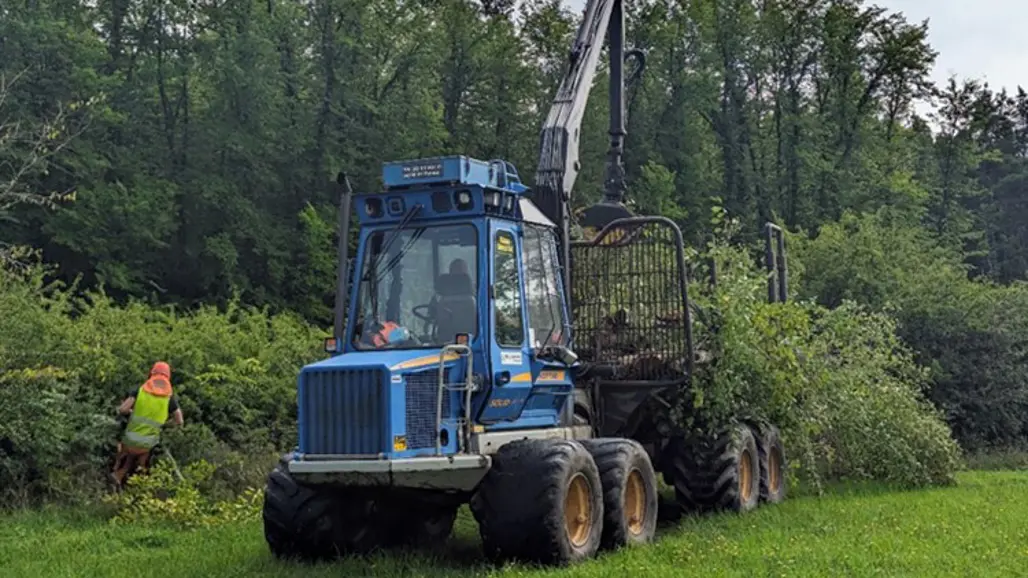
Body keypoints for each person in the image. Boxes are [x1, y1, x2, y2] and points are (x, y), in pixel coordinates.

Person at [110, 361, 183, 489]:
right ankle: (139, 486)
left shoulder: (140, 390)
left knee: (127, 451)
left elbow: (122, 409)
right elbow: (179, 421)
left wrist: (132, 412)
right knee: (142, 457)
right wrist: (164, 425)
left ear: (151, 374)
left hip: (129, 440)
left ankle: (116, 474)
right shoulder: (169, 398)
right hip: (147, 444)